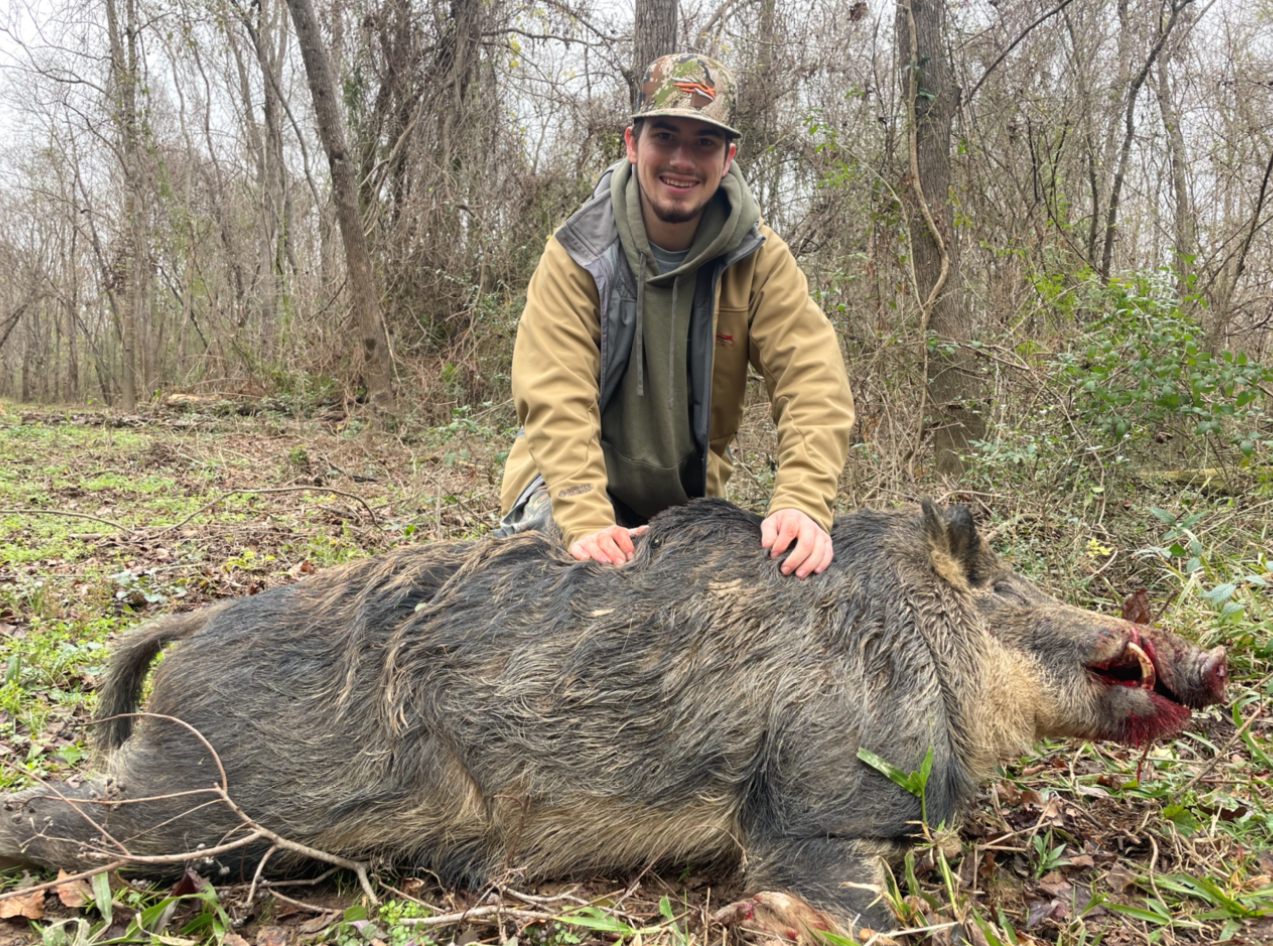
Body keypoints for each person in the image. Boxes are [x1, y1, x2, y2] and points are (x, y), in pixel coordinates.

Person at [496, 52, 855, 578]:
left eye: (703, 142)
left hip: (683, 504)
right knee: (566, 584)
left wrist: (801, 500)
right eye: (664, 135)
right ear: (631, 143)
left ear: (728, 156)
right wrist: (586, 520)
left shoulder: (760, 259)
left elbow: (812, 380)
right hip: (566, 489)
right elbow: (555, 394)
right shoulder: (577, 251)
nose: (682, 160)